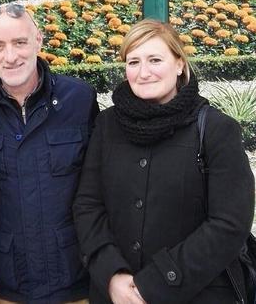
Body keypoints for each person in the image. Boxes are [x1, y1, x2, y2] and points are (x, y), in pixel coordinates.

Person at [73, 19, 255, 304]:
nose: (143, 72)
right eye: (133, 62)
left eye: (154, 59)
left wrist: (154, 284)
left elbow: (229, 223)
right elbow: (87, 205)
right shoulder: (107, 126)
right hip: (116, 295)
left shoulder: (217, 129)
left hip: (198, 294)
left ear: (179, 64)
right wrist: (112, 274)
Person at [0, 3, 99, 303]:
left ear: (39, 40)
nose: (10, 56)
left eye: (20, 42)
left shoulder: (79, 99)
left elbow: (101, 188)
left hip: (76, 286)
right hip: (7, 290)